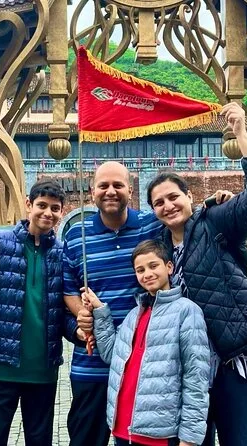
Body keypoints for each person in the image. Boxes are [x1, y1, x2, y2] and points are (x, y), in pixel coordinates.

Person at [147, 102, 247, 446]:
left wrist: (241, 132)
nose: (167, 206)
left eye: (173, 197)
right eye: (158, 203)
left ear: (190, 197)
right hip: (190, 365)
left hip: (234, 356)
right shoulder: (160, 247)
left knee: (240, 439)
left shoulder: (214, 222)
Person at [0, 179, 82, 446]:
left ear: (61, 212)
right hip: (3, 369)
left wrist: (78, 331)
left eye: (55, 208)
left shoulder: (62, 253)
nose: (48, 213)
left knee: (40, 439)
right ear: (29, 204)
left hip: (43, 370)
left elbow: (61, 312)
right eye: (42, 205)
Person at [63, 161, 164, 446]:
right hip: (91, 364)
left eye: (118, 185)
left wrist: (215, 201)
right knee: (85, 439)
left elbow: (185, 218)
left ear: (130, 190)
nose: (110, 191)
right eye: (103, 185)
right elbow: (68, 290)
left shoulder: (151, 226)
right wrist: (84, 318)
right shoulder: (76, 235)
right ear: (92, 191)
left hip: (140, 364)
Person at [83, 240, 210, 446]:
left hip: (159, 434)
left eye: (153, 266)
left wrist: (189, 438)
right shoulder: (134, 314)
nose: (147, 274)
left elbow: (196, 377)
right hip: (123, 429)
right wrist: (99, 310)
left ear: (169, 267)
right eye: (140, 270)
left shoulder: (187, 311)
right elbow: (111, 355)